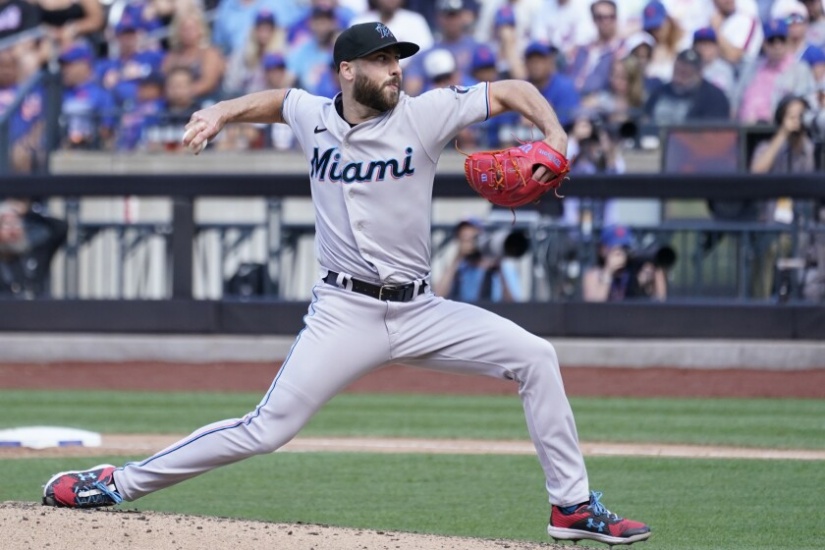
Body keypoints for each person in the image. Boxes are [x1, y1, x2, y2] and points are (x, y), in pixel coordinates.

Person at [41, 22, 652, 548]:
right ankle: (116, 482)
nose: (395, 71)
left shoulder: (425, 113)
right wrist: (221, 112)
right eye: (383, 62)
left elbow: (514, 90)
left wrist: (555, 136)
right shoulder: (314, 115)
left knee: (535, 356)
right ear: (347, 71)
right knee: (267, 428)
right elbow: (279, 99)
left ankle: (571, 507)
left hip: (421, 309)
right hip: (344, 311)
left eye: (397, 61)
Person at [435, 219, 523, 302]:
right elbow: (438, 296)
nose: (469, 243)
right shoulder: (460, 268)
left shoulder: (502, 267)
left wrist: (499, 270)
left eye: (473, 238)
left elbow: (513, 303)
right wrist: (457, 259)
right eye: (464, 239)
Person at [0, 199, 68, 298]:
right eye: (6, 225)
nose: (12, 230)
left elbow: (60, 227)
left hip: (38, 311)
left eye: (17, 223)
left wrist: (28, 212)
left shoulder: (35, 253)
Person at [582, 224, 668, 302]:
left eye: (625, 248)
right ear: (603, 250)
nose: (621, 253)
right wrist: (608, 271)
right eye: (616, 249)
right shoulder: (594, 275)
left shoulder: (634, 271)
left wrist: (656, 268)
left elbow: (660, 301)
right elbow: (594, 308)